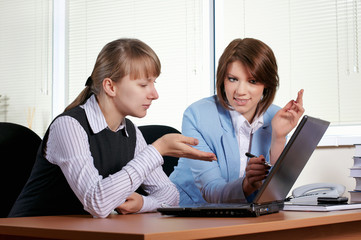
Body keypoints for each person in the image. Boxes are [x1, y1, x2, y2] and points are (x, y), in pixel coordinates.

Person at [8, 38, 216, 218]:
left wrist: (143, 204)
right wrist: (157, 150)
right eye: (144, 85)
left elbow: (170, 197)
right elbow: (97, 202)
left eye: (154, 83)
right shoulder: (69, 126)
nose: (154, 94)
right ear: (110, 86)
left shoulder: (131, 132)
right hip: (29, 233)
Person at [169, 38, 304, 205]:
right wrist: (247, 185)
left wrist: (279, 138)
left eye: (252, 81)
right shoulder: (198, 115)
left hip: (242, 215)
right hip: (190, 213)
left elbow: (274, 194)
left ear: (267, 85)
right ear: (222, 79)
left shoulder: (276, 116)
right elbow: (211, 191)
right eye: (232, 79)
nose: (240, 91)